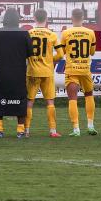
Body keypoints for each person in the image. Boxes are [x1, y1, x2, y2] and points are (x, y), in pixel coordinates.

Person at [0, 9, 33, 138]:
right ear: (17, 19)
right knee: (20, 99)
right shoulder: (24, 33)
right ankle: (20, 130)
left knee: (0, 98)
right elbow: (30, 52)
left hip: (2, 71)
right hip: (18, 72)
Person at [59, 8, 99, 136]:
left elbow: (62, 52)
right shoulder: (90, 32)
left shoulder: (66, 33)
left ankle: (76, 129)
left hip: (72, 69)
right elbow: (92, 52)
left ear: (71, 18)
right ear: (83, 18)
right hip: (85, 69)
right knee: (89, 95)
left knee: (72, 99)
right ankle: (90, 125)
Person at [26, 8, 62, 138]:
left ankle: (26, 130)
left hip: (32, 72)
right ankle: (53, 131)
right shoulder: (52, 35)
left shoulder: (29, 33)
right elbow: (61, 54)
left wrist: (31, 60)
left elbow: (24, 52)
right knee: (50, 102)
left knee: (30, 101)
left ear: (34, 19)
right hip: (47, 71)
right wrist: (50, 61)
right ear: (46, 19)